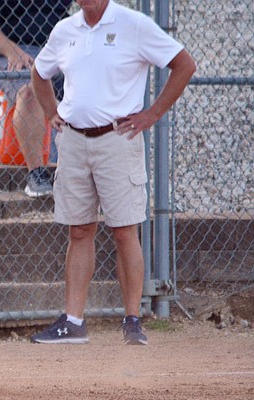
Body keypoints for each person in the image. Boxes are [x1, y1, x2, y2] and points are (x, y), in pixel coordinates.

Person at [29, 0, 195, 345]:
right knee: (79, 230)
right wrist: (50, 111)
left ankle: (132, 320)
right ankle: (73, 321)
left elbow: (184, 65)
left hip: (118, 139)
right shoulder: (65, 30)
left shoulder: (134, 24)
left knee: (124, 230)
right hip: (74, 140)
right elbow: (39, 73)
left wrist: (152, 114)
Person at [0, 0, 71, 198]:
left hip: (59, 48)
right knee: (30, 92)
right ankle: (37, 174)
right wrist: (12, 51)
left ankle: (83, 171)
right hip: (12, 49)